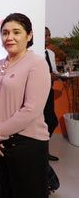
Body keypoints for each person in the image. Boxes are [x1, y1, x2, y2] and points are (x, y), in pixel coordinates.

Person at [0, 13, 51, 198]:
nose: (9, 37)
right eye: (5, 33)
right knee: (6, 192)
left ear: (28, 36)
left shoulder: (37, 64)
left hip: (26, 143)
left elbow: (31, 110)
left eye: (16, 32)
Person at [44, 27, 60, 161]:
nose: (48, 38)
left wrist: (59, 75)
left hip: (49, 90)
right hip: (36, 93)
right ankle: (41, 153)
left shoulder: (50, 53)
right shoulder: (32, 53)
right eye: (45, 35)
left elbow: (54, 71)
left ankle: (44, 151)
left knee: (51, 121)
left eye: (49, 35)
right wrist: (47, 76)